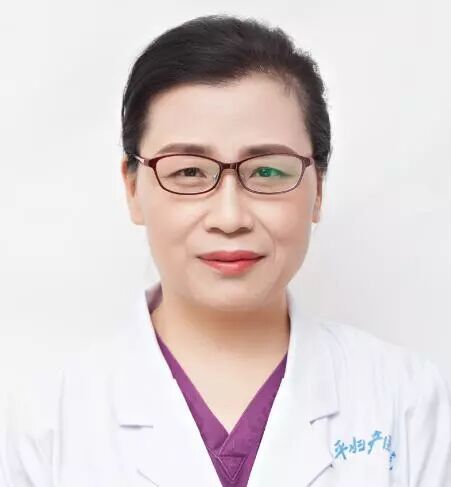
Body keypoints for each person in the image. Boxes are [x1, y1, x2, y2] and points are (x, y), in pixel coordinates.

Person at [1, 13, 450, 487]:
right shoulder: (48, 422)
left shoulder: (406, 400)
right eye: (189, 172)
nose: (230, 217)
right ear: (133, 189)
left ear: (317, 189)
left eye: (267, 171)